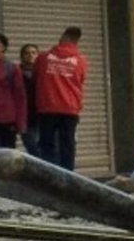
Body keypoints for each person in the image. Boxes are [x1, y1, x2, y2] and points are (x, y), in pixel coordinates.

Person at [29, 24, 90, 170]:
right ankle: (68, 177)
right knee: (67, 146)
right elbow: (80, 81)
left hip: (47, 108)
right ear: (76, 41)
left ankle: (49, 176)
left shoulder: (43, 57)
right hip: (70, 110)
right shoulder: (81, 60)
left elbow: (35, 78)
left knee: (47, 145)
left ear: (64, 37)